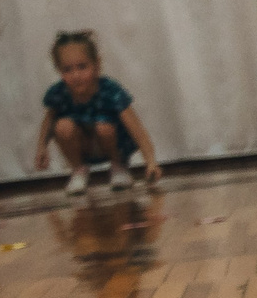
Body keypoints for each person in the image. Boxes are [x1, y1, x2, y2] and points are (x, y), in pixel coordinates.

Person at [34, 30, 163, 193]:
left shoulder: (110, 90)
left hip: (112, 144)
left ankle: (118, 168)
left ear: (97, 65)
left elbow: (136, 128)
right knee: (62, 126)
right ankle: (79, 170)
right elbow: (49, 121)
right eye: (67, 70)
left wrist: (150, 161)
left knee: (104, 126)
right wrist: (41, 148)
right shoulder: (59, 93)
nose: (76, 75)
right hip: (84, 146)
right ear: (59, 70)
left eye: (82, 67)